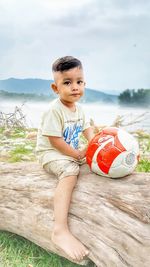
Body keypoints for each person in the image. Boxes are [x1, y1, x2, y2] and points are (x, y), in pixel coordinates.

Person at [36, 56, 94, 262]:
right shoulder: (54, 109)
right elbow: (55, 141)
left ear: (84, 83)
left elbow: (89, 133)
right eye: (67, 83)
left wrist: (99, 147)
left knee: (92, 167)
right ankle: (59, 230)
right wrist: (77, 154)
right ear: (55, 88)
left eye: (79, 82)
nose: (75, 87)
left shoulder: (81, 110)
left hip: (68, 152)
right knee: (70, 172)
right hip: (50, 153)